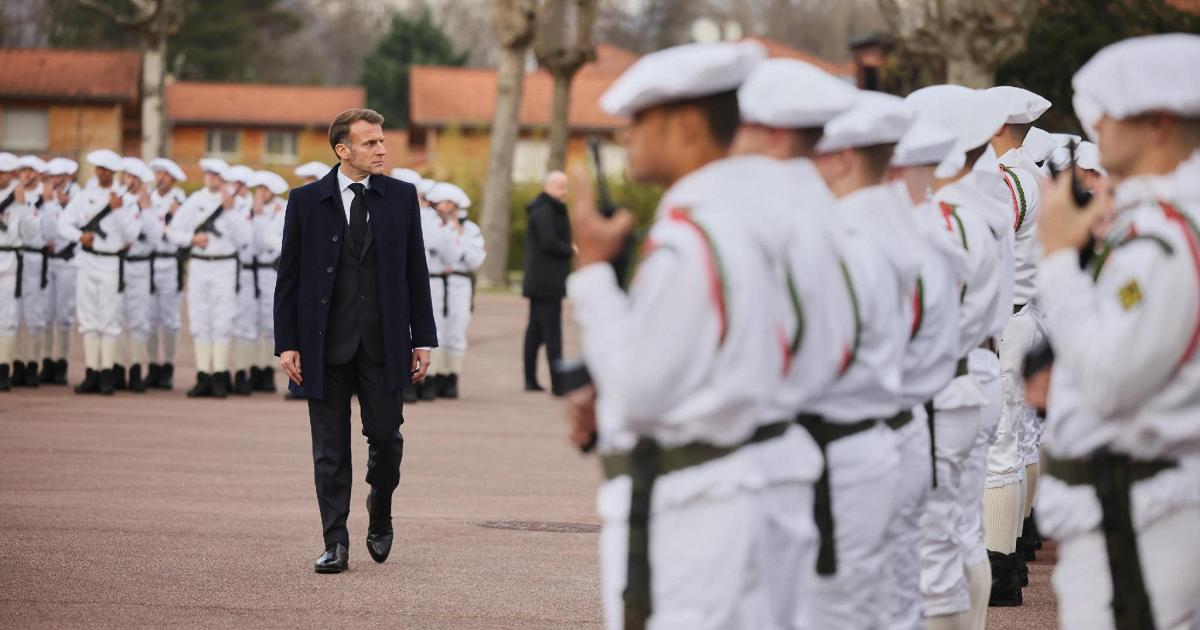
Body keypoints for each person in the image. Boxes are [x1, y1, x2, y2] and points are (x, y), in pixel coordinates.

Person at [567, 40, 798, 630]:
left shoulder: (694, 239)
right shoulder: (749, 216)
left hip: (694, 514)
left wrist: (593, 270)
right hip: (735, 492)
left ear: (690, 126)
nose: (627, 137)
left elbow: (639, 391)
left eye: (640, 121)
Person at [1035, 33, 1200, 630]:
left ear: (1157, 125)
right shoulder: (1160, 224)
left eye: (1110, 111)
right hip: (1136, 510)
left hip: (1140, 521)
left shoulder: (1159, 242)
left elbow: (1110, 381)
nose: (1095, 125)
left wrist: (1057, 258)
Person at [274, 108, 437, 574]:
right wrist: (287, 342)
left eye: (383, 140)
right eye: (370, 143)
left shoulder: (402, 197)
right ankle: (335, 541)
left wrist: (422, 338)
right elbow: (288, 276)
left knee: (385, 439)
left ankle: (380, 506)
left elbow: (415, 272)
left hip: (385, 344)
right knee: (329, 448)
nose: (382, 148)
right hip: (322, 344)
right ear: (343, 150)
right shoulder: (305, 201)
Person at [730, 57, 859, 629]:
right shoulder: (830, 212)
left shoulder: (765, 218)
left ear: (773, 133)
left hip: (768, 447)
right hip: (814, 437)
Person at [905, 85, 1012, 630]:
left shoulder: (948, 216)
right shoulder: (982, 202)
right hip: (977, 374)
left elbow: (923, 321)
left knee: (933, 548)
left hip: (946, 387)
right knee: (961, 534)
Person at [888, 117, 971, 630]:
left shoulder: (913, 236)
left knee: (922, 565)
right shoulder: (938, 232)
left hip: (906, 412)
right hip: (935, 397)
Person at [981, 85, 1052, 605]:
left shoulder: (1007, 180)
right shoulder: (1029, 173)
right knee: (1017, 436)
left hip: (1005, 321)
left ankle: (1001, 571)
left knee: (1002, 444)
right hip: (1021, 317)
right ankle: (1014, 551)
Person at [57, 150, 140, 395]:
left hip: (111, 262)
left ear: (113, 172)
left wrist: (119, 210)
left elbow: (131, 235)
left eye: (105, 169)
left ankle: (107, 374)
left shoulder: (126, 200)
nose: (101, 172)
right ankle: (91, 371)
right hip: (87, 261)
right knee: (88, 318)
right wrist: (79, 236)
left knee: (110, 318)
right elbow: (64, 224)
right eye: (98, 169)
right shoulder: (84, 196)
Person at [168, 158, 246, 398]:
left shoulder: (236, 204)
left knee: (222, 320)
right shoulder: (195, 201)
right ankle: (203, 374)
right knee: (200, 319)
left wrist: (230, 209)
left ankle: (220, 375)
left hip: (224, 265)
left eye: (216, 175)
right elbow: (173, 231)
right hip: (200, 265)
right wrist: (192, 239)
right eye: (208, 174)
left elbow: (244, 238)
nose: (211, 178)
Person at [424, 182, 485, 399]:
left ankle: (451, 377)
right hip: (434, 281)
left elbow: (474, 259)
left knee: (457, 330)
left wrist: (457, 233)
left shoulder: (470, 229)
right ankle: (431, 376)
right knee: (435, 330)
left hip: (460, 282)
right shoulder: (428, 224)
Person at [521, 170, 572, 392]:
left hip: (545, 279)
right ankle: (558, 382)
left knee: (537, 330)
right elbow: (549, 241)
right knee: (551, 332)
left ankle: (531, 379)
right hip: (545, 281)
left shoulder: (550, 209)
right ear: (548, 186)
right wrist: (571, 249)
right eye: (561, 186)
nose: (565, 192)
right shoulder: (544, 210)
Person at [143, 158, 187, 390]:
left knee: (170, 320)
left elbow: (173, 234)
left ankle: (168, 366)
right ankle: (152, 366)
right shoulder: (146, 199)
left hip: (170, 263)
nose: (160, 178)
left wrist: (163, 227)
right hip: (148, 263)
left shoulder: (180, 201)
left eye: (164, 175)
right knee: (149, 319)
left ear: (173, 178)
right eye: (157, 174)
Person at [116, 157, 158, 392]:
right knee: (116, 318)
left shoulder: (147, 204)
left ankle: (135, 371)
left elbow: (154, 239)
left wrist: (147, 208)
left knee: (138, 319)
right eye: (127, 176)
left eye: (135, 178)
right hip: (117, 264)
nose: (130, 182)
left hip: (140, 266)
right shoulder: (115, 200)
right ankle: (116, 368)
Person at [248, 170, 288, 393]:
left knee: (272, 323)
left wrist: (261, 218)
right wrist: (256, 216)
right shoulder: (254, 211)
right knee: (254, 322)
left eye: (263, 190)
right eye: (258, 190)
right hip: (254, 271)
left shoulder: (282, 209)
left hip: (275, 270)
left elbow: (278, 240)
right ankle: (256, 368)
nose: (260, 194)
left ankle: (268, 372)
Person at [40, 157, 80, 385]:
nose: (55, 181)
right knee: (46, 314)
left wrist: (65, 205)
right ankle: (46, 361)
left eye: (59, 177)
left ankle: (62, 362)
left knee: (64, 315)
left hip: (67, 262)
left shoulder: (78, 197)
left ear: (69, 177)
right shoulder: (45, 197)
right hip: (48, 260)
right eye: (52, 177)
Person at [14, 155, 48, 387]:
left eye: (31, 170)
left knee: (34, 314)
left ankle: (33, 363)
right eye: (23, 170)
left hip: (35, 258)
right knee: (11, 314)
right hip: (12, 257)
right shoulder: (12, 196)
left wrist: (44, 202)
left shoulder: (46, 199)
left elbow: (47, 232)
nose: (26, 174)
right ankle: (15, 363)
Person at [0, 152, 25, 391]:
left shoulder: (18, 199)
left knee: (8, 317)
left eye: (4, 173)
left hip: (10, 259)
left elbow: (32, 233)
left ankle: (3, 368)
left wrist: (22, 205)